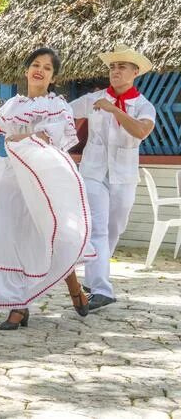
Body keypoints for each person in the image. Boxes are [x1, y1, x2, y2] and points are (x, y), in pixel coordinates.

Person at [0, 47, 94, 330]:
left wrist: (22, 135)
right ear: (26, 71)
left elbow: (48, 137)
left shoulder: (58, 106)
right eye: (35, 64)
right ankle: (17, 306)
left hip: (43, 179)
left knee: (51, 235)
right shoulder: (13, 105)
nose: (40, 70)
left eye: (47, 68)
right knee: (8, 234)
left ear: (53, 77)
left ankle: (75, 290)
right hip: (13, 178)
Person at [70, 44, 155, 311]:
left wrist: (114, 110)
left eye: (121, 67)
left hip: (124, 176)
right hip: (94, 171)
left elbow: (141, 131)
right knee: (97, 226)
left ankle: (95, 278)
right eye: (112, 67)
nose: (115, 71)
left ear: (135, 72)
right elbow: (63, 111)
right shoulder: (93, 99)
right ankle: (102, 289)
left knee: (113, 229)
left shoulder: (144, 105)